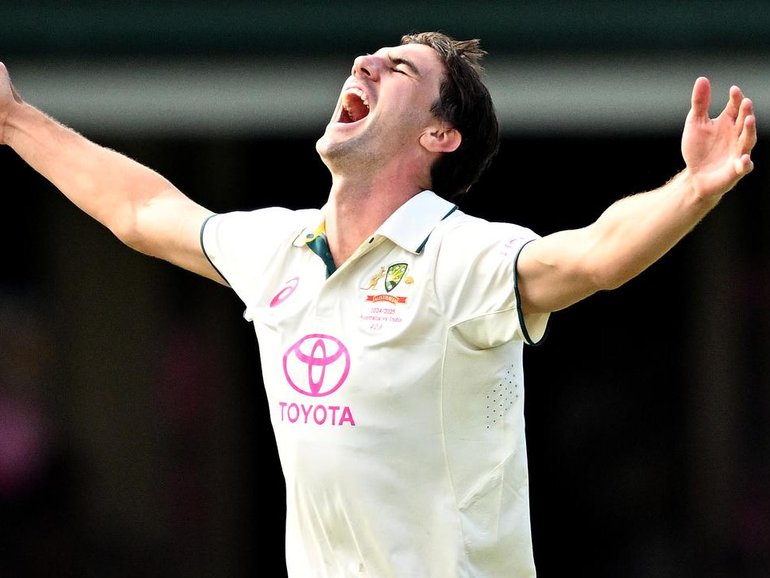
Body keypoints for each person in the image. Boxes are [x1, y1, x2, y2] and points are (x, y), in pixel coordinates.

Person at [0, 31, 757, 577]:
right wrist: (14, 119)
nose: (363, 62)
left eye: (399, 68)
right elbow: (142, 211)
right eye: (371, 57)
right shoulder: (278, 248)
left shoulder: (462, 256)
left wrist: (691, 190)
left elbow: (595, 256)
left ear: (440, 133)